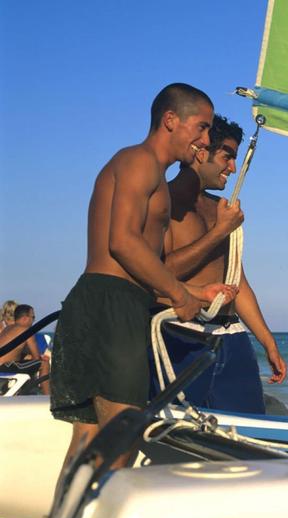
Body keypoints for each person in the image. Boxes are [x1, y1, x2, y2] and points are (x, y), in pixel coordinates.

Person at [50, 83, 236, 471]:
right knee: (121, 441)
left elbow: (140, 268)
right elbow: (122, 242)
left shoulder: (150, 174)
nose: (204, 139)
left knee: (89, 438)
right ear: (170, 120)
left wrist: (197, 292)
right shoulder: (139, 161)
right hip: (111, 305)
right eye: (200, 128)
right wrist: (179, 296)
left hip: (107, 300)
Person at [157, 114, 286, 413]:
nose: (233, 168)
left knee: (250, 431)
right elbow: (158, 272)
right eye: (227, 156)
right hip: (182, 335)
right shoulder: (163, 201)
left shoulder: (222, 209)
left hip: (233, 339)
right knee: (183, 432)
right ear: (201, 151)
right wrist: (218, 232)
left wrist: (268, 342)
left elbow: (237, 280)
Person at [0, 304, 50, 394]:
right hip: (4, 367)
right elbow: (36, 357)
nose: (34, 320)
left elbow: (15, 351)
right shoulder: (26, 330)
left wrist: (28, 357)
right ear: (25, 318)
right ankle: (48, 399)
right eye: (33, 317)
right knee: (44, 364)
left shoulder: (8, 328)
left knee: (28, 360)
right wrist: (41, 358)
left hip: (4, 365)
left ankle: (25, 392)